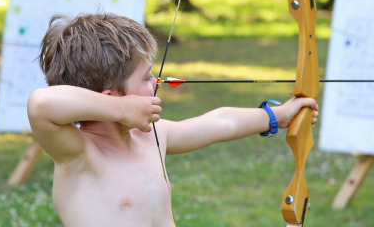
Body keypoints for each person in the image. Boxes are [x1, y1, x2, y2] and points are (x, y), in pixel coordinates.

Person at [27, 13, 319, 227]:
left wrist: (277, 115)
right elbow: (41, 104)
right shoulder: (79, 154)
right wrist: (121, 110)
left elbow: (220, 123)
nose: (157, 82)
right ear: (112, 97)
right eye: (145, 78)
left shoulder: (152, 136)